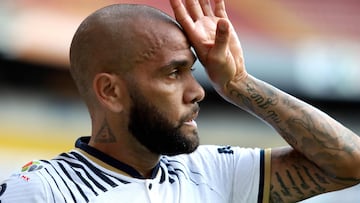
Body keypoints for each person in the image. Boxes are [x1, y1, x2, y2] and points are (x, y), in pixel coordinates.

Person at [1, 0, 360, 202]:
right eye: (174, 74)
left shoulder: (214, 172)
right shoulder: (43, 191)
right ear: (110, 91)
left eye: (192, 71)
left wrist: (239, 84)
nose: (197, 91)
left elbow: (350, 163)